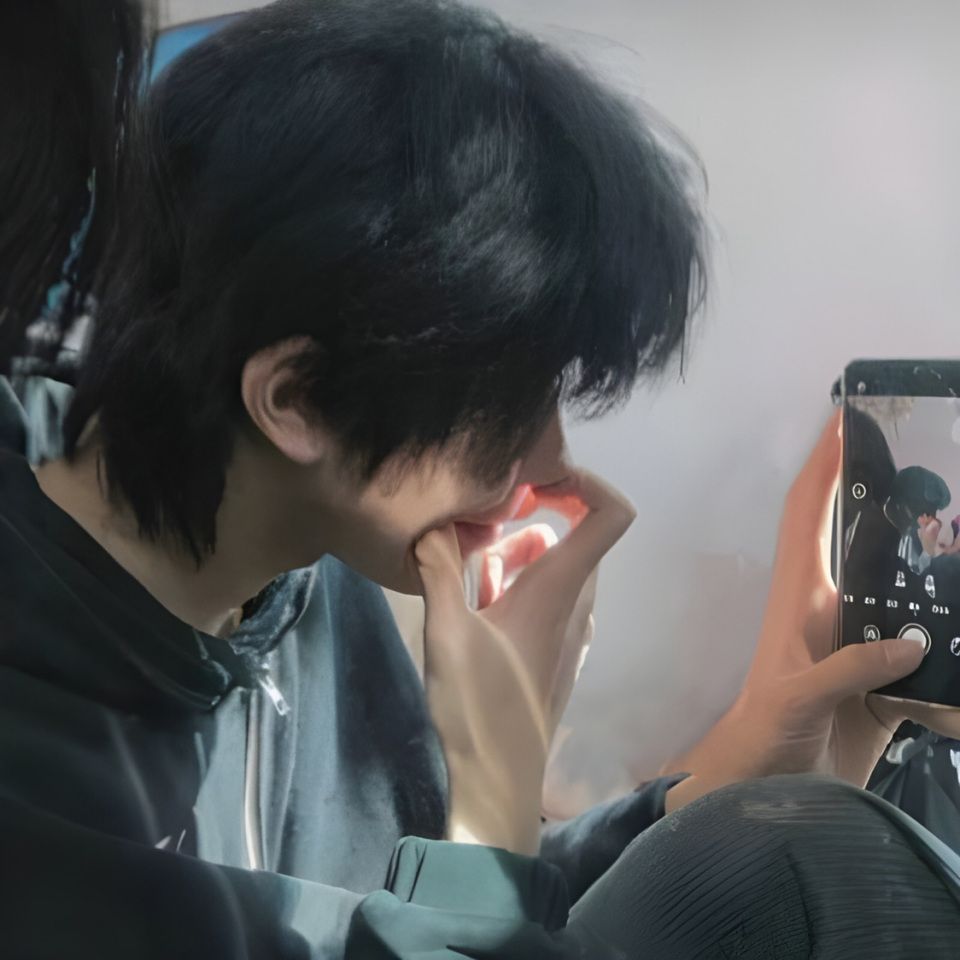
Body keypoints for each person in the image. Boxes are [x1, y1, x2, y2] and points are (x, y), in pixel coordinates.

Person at [3, 1, 960, 957]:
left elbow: (408, 893)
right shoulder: (38, 809)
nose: (552, 464)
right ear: (294, 399)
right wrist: (500, 777)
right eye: (508, 407)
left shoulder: (307, 573)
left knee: (808, 850)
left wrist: (744, 761)